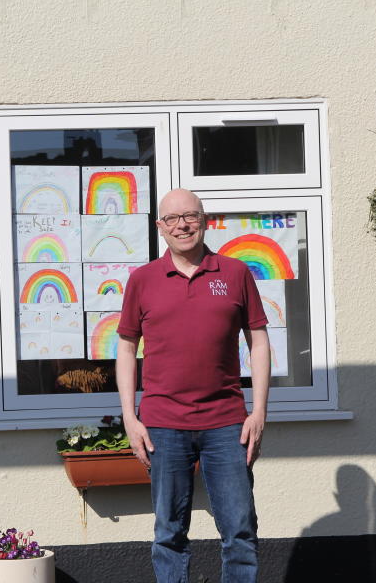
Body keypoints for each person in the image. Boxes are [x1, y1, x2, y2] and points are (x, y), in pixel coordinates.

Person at [116, 188, 271, 583]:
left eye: (190, 216)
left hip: (226, 422)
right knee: (169, 533)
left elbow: (259, 340)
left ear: (204, 221)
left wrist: (259, 411)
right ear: (159, 228)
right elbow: (127, 347)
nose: (182, 225)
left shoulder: (235, 273)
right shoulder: (142, 280)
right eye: (172, 219)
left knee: (239, 531)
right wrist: (129, 418)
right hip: (163, 423)